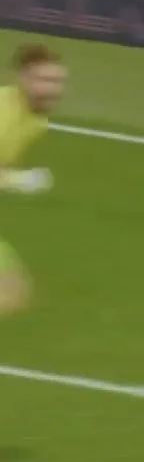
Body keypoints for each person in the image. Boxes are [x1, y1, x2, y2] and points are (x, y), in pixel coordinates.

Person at [0, 43, 66, 316]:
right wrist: (20, 180)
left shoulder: (35, 121)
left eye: (57, 82)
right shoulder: (3, 114)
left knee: (11, 292)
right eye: (44, 80)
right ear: (23, 79)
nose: (52, 89)